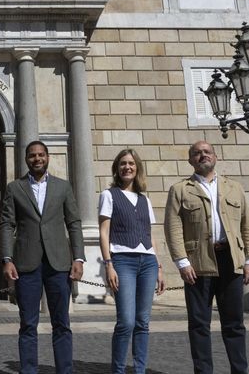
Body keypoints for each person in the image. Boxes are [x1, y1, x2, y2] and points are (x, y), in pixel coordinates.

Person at [164, 141, 249, 374]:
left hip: (231, 260)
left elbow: (248, 225)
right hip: (198, 264)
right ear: (190, 161)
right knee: (199, 325)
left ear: (215, 157)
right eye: (196, 153)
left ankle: (240, 370)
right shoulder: (180, 189)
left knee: (234, 323)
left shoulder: (234, 187)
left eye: (207, 152)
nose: (202, 156)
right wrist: (182, 262)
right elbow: (173, 228)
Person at [0, 140, 85, 374]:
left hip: (59, 263)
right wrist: (7, 258)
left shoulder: (63, 187)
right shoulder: (14, 188)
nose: (37, 159)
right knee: (28, 324)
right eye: (32, 155)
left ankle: (64, 370)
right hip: (26, 263)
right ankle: (28, 370)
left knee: (62, 323)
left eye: (41, 155)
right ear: (26, 159)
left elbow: (74, 223)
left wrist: (79, 258)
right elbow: (7, 224)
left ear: (48, 158)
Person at [99, 149, 166, 374]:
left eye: (131, 163)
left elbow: (150, 234)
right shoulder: (109, 195)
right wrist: (108, 264)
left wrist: (158, 267)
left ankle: (139, 370)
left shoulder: (144, 199)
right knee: (126, 321)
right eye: (123, 164)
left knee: (142, 322)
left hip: (147, 261)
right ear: (117, 168)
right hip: (122, 260)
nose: (127, 167)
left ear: (137, 168)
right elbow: (104, 232)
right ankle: (118, 370)